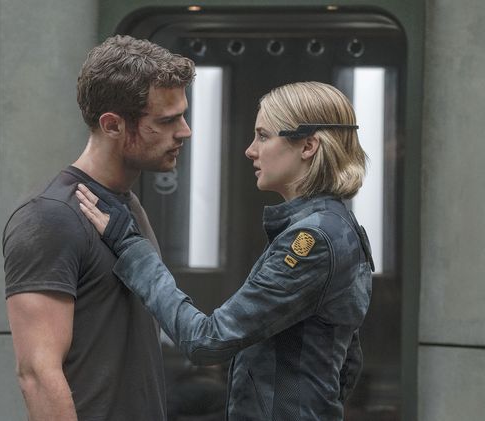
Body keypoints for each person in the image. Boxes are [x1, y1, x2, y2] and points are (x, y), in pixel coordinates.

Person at [76, 81, 374, 421]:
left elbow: (207, 341)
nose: (250, 150)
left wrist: (131, 248)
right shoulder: (338, 227)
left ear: (308, 146)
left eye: (263, 136)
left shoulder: (312, 240)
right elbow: (347, 361)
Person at [2, 35, 195, 420]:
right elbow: (38, 375)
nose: (185, 131)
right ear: (112, 125)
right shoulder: (50, 215)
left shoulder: (129, 207)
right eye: (167, 120)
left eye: (182, 116)